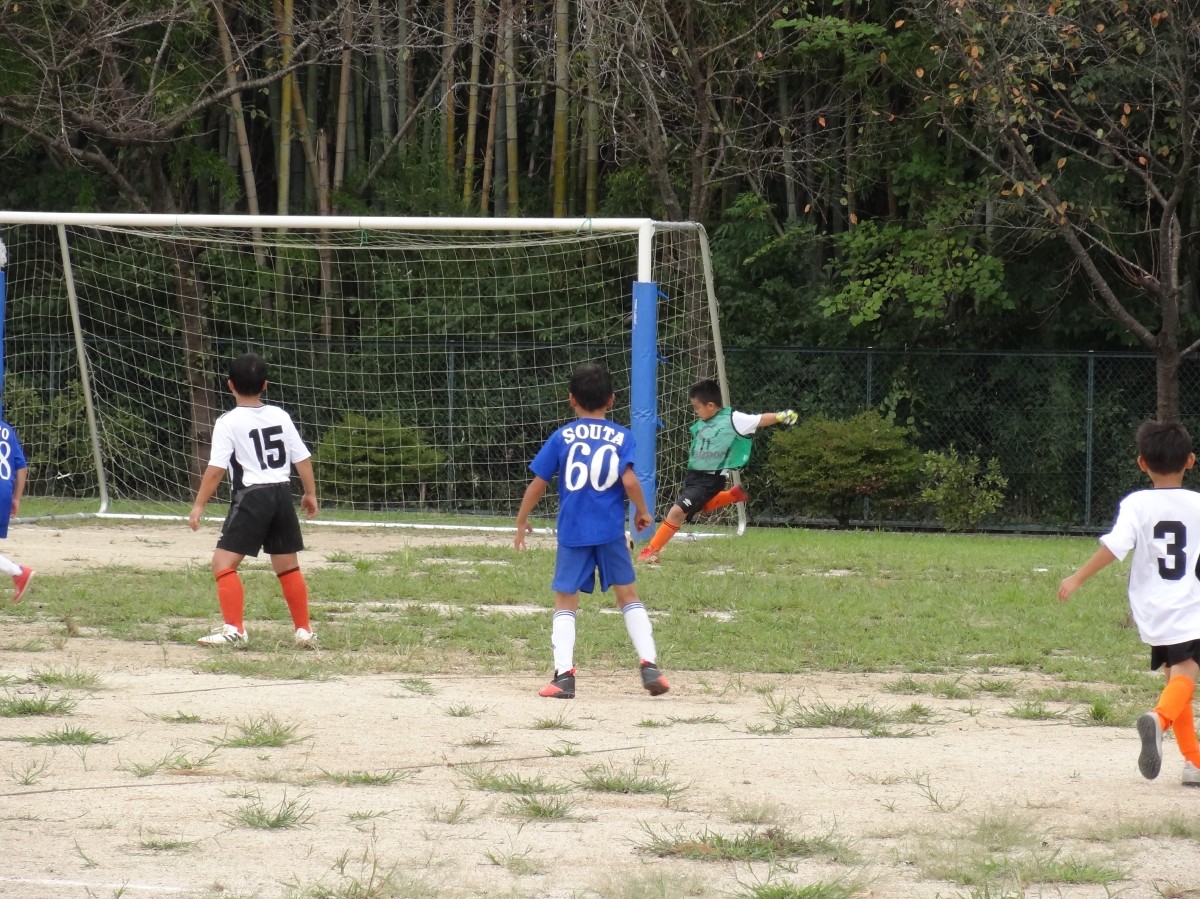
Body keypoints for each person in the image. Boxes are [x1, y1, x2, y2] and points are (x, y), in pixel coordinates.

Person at [1058, 420, 1200, 786]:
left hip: (1153, 610)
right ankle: (1158, 720)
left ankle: (1194, 762)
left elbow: (1114, 547)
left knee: (1177, 683)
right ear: (1190, 461)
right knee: (1184, 679)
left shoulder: (1136, 503)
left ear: (1142, 463)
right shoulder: (1198, 504)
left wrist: (1077, 577)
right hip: (1190, 606)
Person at [515, 362, 668, 699]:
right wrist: (642, 512)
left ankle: (563, 677)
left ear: (571, 399)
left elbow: (539, 483)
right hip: (611, 532)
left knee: (565, 601)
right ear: (612, 400)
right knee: (628, 596)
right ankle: (649, 664)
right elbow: (630, 480)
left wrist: (522, 519)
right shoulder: (622, 436)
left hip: (573, 533)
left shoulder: (562, 436)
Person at [188, 353, 318, 648]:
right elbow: (302, 458)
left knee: (222, 563)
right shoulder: (280, 415)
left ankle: (234, 629)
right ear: (265, 385)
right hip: (282, 493)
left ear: (230, 385)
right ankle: (304, 630)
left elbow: (216, 469)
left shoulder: (228, 422)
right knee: (288, 566)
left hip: (252, 496)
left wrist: (199, 505)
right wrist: (310, 493)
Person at [637, 379, 796, 563]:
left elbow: (759, 419)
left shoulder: (733, 419)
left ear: (711, 405)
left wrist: (780, 416)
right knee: (695, 509)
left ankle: (651, 551)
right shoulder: (704, 420)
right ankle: (732, 495)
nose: (695, 411)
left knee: (676, 511)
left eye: (697, 407)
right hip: (694, 476)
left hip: (710, 479)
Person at [0, 419, 33, 602]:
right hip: (5, 492)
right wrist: (17, 498)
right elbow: (22, 467)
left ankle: (19, 572)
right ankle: (18, 573)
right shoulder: (7, 430)